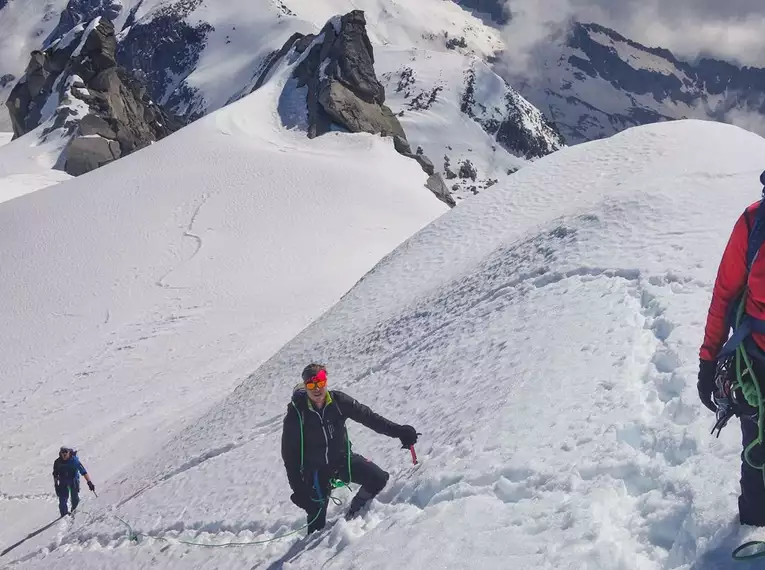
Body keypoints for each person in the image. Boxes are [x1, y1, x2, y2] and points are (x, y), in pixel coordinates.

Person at [698, 171, 765, 527]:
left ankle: (754, 527)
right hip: (756, 361)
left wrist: (709, 361)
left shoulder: (755, 222)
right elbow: (723, 297)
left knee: (757, 450)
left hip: (755, 363)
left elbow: (725, 296)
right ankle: (754, 526)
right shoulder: (754, 222)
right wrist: (707, 360)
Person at [281, 364, 419, 533]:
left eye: (320, 383)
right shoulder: (297, 414)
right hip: (315, 472)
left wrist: (399, 431)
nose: (317, 389)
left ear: (326, 381)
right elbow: (290, 456)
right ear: (305, 386)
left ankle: (355, 510)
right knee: (316, 519)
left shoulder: (338, 401)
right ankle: (311, 552)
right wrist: (299, 490)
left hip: (342, 460)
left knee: (378, 478)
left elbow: (369, 418)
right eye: (311, 385)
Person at [53, 446, 95, 517]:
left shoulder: (74, 460)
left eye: (66, 452)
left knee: (75, 499)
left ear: (69, 452)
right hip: (63, 482)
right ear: (60, 453)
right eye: (63, 452)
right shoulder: (57, 462)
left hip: (73, 481)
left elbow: (83, 471)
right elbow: (55, 474)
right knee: (62, 500)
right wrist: (56, 485)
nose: (64, 454)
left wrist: (89, 482)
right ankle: (64, 515)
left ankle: (75, 512)